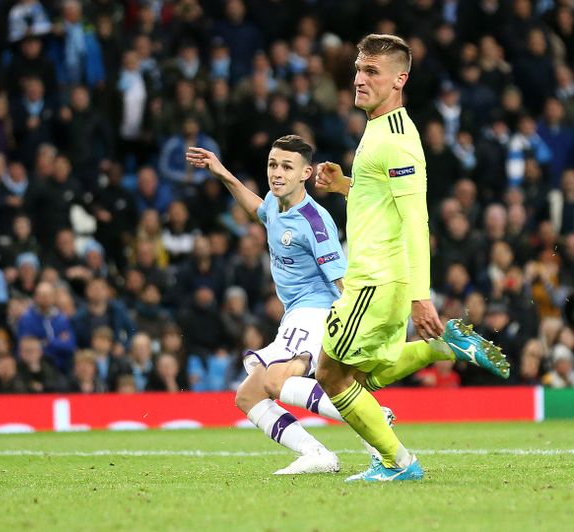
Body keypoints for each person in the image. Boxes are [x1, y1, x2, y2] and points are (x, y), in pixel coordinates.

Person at [312, 34, 509, 482]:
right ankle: (442, 348)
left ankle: (399, 463)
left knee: (331, 375)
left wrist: (422, 298)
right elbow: (377, 199)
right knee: (363, 376)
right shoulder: (378, 129)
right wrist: (344, 184)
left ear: (400, 79)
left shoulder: (397, 140)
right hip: (378, 278)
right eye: (359, 70)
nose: (359, 80)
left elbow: (416, 221)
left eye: (372, 72)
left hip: (377, 280)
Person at [187, 135, 348, 475]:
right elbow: (258, 210)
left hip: (316, 312)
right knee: (248, 396)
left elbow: (340, 280)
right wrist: (222, 173)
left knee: (276, 380)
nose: (277, 173)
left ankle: (365, 410)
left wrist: (353, 326)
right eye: (273, 165)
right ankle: (316, 453)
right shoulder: (276, 205)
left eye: (286, 167)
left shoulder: (314, 224)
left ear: (306, 173)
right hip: (295, 314)